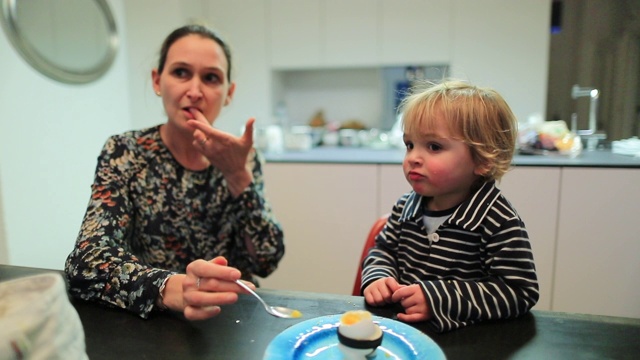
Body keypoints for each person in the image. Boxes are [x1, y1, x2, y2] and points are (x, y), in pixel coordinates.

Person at [64, 24, 285, 321]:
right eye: (181, 72)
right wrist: (172, 286)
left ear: (228, 93)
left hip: (231, 318)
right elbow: (85, 262)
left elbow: (267, 259)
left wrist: (238, 176)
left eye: (210, 78)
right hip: (152, 317)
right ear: (157, 81)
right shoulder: (126, 152)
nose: (194, 91)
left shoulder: (241, 156)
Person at [361, 79, 539, 332]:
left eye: (434, 146)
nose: (413, 158)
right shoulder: (404, 207)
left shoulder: (497, 219)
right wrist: (378, 277)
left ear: (483, 160)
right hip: (404, 334)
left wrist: (439, 299)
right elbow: (383, 251)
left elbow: (519, 292)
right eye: (409, 145)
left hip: (467, 342)